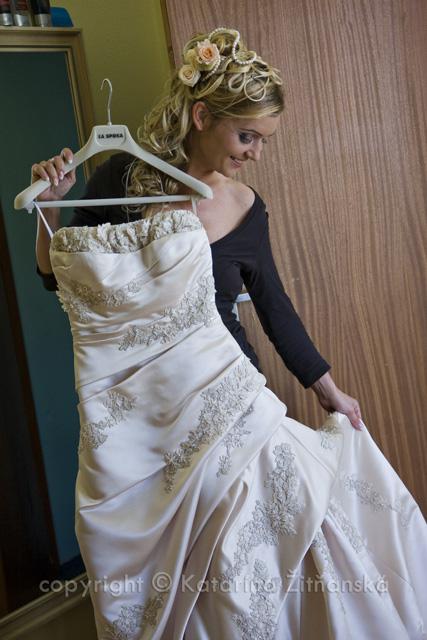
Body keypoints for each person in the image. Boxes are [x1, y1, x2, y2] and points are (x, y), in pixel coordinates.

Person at [31, 27, 426, 639]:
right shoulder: (119, 180)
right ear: (202, 116)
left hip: (228, 398)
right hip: (141, 419)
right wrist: (50, 209)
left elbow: (275, 308)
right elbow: (58, 277)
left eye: (264, 140)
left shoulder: (246, 205)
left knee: (257, 559)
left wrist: (329, 390)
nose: (256, 154)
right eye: (247, 136)